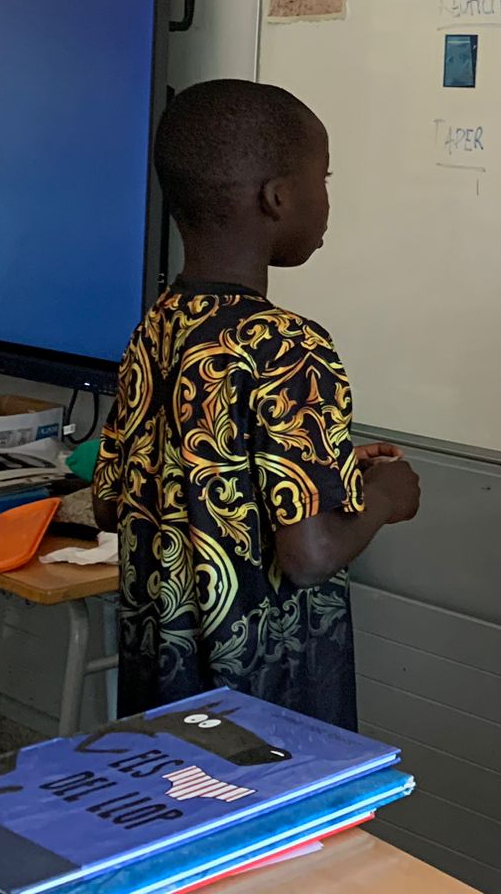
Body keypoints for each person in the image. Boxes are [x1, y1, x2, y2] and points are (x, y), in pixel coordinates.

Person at [93, 80, 421, 730]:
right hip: (267, 695)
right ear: (278, 197)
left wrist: (328, 468)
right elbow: (310, 556)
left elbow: (113, 502)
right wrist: (386, 496)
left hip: (161, 685)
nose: (327, 198)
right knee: (283, 805)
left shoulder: (157, 327)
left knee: (179, 798)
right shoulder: (290, 346)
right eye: (323, 178)